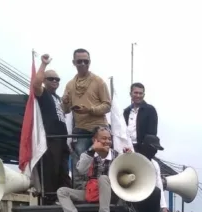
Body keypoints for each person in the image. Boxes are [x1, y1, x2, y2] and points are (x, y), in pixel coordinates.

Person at [62, 48, 111, 189]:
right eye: (79, 61)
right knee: (80, 161)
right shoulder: (70, 85)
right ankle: (81, 192)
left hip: (99, 127)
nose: (83, 64)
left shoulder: (98, 81)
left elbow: (107, 105)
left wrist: (89, 110)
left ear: (90, 62)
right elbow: (65, 110)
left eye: (86, 61)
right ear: (74, 62)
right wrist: (65, 102)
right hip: (80, 128)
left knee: (103, 159)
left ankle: (105, 189)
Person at [57, 127, 116, 212]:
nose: (107, 141)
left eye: (109, 139)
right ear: (95, 140)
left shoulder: (117, 155)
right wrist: (91, 150)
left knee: (103, 178)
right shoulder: (87, 154)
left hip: (110, 194)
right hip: (91, 192)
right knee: (62, 191)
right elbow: (81, 170)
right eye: (104, 138)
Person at [31, 54, 70, 202]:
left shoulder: (57, 98)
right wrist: (43, 64)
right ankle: (49, 199)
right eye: (51, 79)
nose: (55, 81)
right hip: (50, 138)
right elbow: (35, 85)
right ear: (45, 81)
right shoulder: (43, 94)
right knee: (50, 170)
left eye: (57, 79)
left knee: (64, 171)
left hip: (62, 139)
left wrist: (66, 102)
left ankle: (65, 199)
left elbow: (65, 113)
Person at [123, 82, 159, 151]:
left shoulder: (150, 110)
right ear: (130, 94)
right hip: (128, 148)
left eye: (140, 93)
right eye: (136, 93)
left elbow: (152, 133)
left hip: (143, 149)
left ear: (144, 95)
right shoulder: (126, 112)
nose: (138, 95)